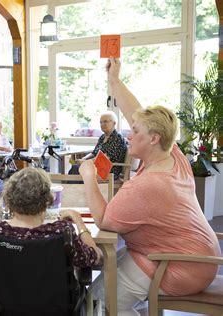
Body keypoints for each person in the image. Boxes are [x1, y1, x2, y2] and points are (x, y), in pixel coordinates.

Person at [67, 58, 221, 316]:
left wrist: (89, 176)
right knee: (107, 281)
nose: (128, 133)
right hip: (195, 256)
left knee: (94, 305)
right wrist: (114, 80)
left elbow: (104, 220)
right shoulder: (172, 155)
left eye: (134, 131)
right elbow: (135, 111)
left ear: (153, 138)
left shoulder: (150, 185)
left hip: (178, 266)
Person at [0, 167, 101, 274]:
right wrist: (79, 222)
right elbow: (94, 258)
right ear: (48, 200)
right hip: (55, 307)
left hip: (2, 306)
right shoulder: (62, 230)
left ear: (9, 199)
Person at [68, 111, 127, 179]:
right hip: (97, 166)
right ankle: (79, 189)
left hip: (109, 170)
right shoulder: (102, 137)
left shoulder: (117, 138)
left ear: (114, 123)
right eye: (101, 122)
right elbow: (94, 153)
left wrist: (85, 162)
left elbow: (105, 158)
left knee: (77, 169)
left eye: (105, 121)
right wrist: (83, 159)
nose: (102, 124)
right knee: (76, 167)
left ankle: (77, 189)